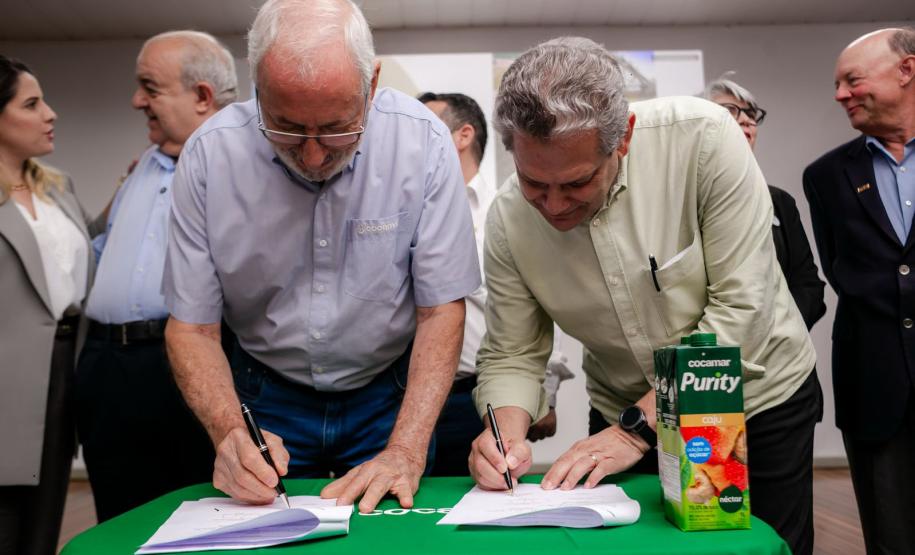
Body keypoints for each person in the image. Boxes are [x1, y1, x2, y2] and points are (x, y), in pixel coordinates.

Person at [468, 37, 820, 555]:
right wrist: (504, 436)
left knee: (757, 547)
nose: (553, 205)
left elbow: (741, 312)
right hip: (620, 407)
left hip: (752, 403)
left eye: (576, 182)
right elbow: (513, 352)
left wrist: (635, 432)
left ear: (624, 137)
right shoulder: (507, 220)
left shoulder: (702, 138)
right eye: (533, 183)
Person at [162, 0, 480, 514]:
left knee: (395, 535)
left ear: (370, 84)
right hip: (264, 394)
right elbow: (192, 328)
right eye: (286, 127)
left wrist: (404, 449)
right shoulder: (209, 157)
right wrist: (229, 430)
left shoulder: (422, 142)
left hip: (388, 395)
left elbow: (441, 309)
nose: (312, 155)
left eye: (337, 128)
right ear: (256, 87)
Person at [75, 30, 238, 522]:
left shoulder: (242, 165)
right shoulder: (143, 164)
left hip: (181, 364)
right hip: (107, 365)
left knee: (193, 515)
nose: (135, 100)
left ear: (202, 97)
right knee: (119, 516)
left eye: (150, 87)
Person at [418, 91, 574, 475]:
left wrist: (545, 396)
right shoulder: (405, 211)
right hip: (402, 396)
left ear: (463, 135)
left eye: (424, 126)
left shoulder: (508, 214)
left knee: (477, 501)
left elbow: (539, 309)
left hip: (471, 396)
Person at [803, 27, 915, 554]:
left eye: (852, 80)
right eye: (837, 83)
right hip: (875, 388)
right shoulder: (825, 176)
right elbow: (841, 271)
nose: (840, 94)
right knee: (891, 538)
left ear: (906, 72)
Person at [0, 55, 94, 555]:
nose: (50, 113)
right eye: (32, 104)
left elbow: (72, 261)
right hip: (5, 384)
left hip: (63, 375)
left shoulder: (57, 187)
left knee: (42, 528)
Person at [706, 78, 827, 330]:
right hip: (715, 356)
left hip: (785, 354)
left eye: (751, 113)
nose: (746, 120)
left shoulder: (779, 202)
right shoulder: (685, 202)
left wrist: (781, 333)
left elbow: (808, 286)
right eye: (730, 111)